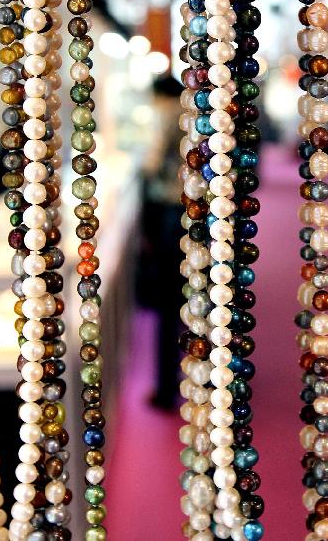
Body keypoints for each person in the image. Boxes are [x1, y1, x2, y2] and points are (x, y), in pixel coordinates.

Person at [135, 74, 186, 410]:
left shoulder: (167, 116)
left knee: (169, 305)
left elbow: (151, 164)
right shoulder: (193, 117)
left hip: (170, 213)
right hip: (196, 214)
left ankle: (167, 388)